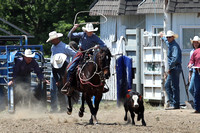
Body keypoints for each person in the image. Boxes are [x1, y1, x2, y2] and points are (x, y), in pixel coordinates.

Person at [62, 23, 108, 95]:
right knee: (71, 68)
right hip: (81, 53)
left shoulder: (95, 37)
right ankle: (68, 83)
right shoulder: (82, 34)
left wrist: (98, 46)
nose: (90, 32)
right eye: (89, 31)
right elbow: (69, 35)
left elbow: (103, 45)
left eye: (91, 31)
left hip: (91, 54)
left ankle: (102, 85)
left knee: (99, 67)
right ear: (86, 31)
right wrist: (74, 28)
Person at [46, 31, 76, 113]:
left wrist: (71, 64)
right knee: (53, 89)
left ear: (56, 39)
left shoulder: (65, 47)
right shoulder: (53, 47)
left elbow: (74, 54)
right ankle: (54, 108)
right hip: (55, 69)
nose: (51, 41)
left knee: (64, 89)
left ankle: (64, 107)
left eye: (52, 40)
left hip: (64, 70)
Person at [159, 30, 182, 110]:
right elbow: (167, 42)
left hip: (174, 68)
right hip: (174, 68)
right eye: (167, 37)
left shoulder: (174, 46)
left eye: (169, 37)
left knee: (173, 86)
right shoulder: (171, 44)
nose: (168, 38)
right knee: (169, 85)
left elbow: (175, 58)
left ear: (172, 37)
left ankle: (175, 104)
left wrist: (170, 68)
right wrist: (163, 37)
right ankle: (174, 103)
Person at [188, 38, 200, 113]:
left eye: (197, 42)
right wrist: (190, 64)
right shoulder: (194, 52)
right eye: (194, 42)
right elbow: (191, 60)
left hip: (197, 71)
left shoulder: (195, 51)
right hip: (196, 71)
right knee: (195, 90)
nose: (195, 44)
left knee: (196, 90)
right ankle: (197, 107)